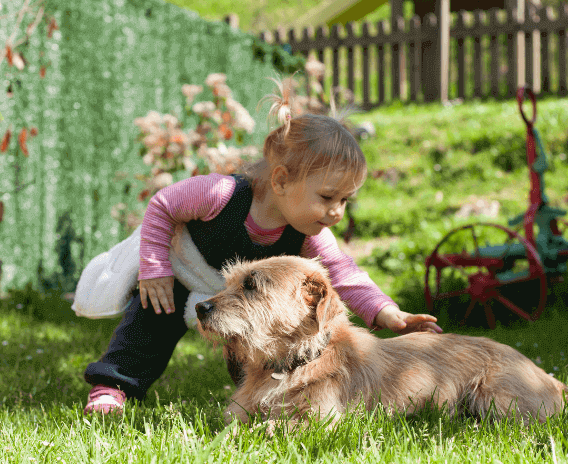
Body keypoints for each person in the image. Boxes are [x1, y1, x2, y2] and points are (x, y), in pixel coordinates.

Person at [82, 80, 442, 415]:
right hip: (182, 272)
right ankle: (113, 386)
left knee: (262, 339)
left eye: (346, 200)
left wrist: (389, 313)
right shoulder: (219, 194)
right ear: (282, 180)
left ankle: (257, 399)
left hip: (240, 299)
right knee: (150, 322)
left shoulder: (310, 232)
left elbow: (344, 274)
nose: (337, 212)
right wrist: (155, 269)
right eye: (328, 196)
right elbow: (162, 206)